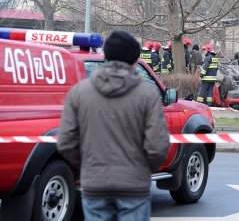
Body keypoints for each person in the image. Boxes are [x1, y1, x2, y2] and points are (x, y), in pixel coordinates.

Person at [57, 31, 170, 220]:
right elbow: (158, 146)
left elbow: (66, 142)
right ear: (135, 59)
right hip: (134, 185)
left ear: (106, 56)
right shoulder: (147, 94)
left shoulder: (79, 92)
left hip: (95, 184)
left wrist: (88, 165)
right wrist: (142, 169)